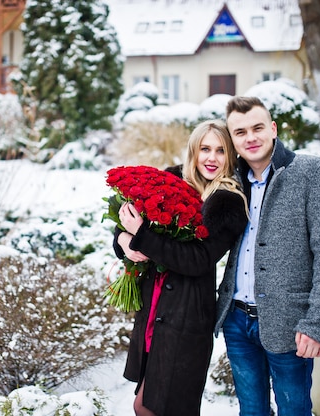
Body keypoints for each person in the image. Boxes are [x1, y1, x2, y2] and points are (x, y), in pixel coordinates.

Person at [214, 96, 320, 416]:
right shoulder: (231, 181)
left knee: (294, 411)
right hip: (236, 319)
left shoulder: (309, 171)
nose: (251, 138)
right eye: (240, 132)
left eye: (258, 128)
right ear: (232, 139)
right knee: (251, 411)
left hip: (289, 324)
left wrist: (318, 324)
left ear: (273, 129)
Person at [113, 119, 248, 416]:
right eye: (205, 149)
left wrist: (143, 238)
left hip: (186, 318)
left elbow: (198, 259)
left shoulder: (228, 203)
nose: (211, 158)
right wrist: (124, 241)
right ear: (193, 151)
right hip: (154, 309)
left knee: (153, 407)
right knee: (150, 403)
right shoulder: (169, 181)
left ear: (230, 157)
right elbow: (126, 226)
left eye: (220, 151)